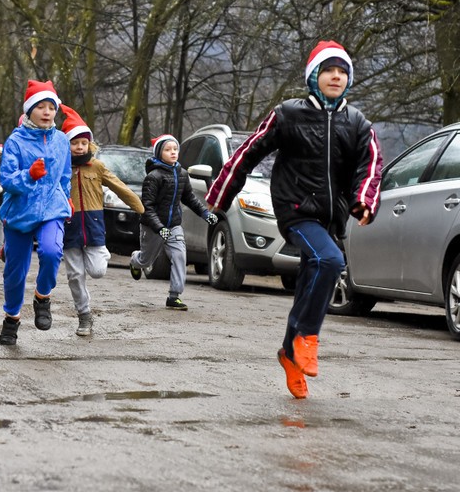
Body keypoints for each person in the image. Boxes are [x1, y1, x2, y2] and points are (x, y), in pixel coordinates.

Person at [205, 40, 383, 399]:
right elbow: (248, 152)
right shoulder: (288, 114)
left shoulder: (358, 122)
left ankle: (288, 353)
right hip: (296, 209)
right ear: (314, 77)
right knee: (330, 260)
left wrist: (364, 200)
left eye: (342, 71)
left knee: (308, 282)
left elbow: (372, 163)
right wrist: (220, 197)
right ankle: (307, 337)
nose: (336, 76)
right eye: (329, 70)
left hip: (332, 217)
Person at [0, 80, 72, 345]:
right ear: (29, 110)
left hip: (52, 206)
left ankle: (42, 297)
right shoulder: (15, 141)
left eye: (51, 107)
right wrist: (28, 175)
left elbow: (64, 177)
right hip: (20, 210)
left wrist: (67, 198)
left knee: (51, 252)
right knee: (15, 274)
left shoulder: (62, 141)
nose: (47, 111)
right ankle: (12, 318)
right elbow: (6, 180)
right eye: (40, 106)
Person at [60, 104, 145, 336]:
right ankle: (84, 315)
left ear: (89, 144)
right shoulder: (61, 166)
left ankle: (103, 253)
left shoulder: (96, 166)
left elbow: (118, 186)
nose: (79, 147)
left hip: (94, 226)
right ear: (66, 144)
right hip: (69, 227)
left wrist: (140, 208)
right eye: (74, 143)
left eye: (83, 143)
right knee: (75, 276)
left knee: (97, 271)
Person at [128, 134, 219, 310]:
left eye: (175, 149)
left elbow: (190, 198)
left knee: (179, 257)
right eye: (168, 150)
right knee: (147, 260)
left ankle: (174, 296)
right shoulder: (153, 177)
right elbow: (147, 206)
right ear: (159, 153)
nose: (173, 152)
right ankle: (135, 260)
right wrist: (159, 227)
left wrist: (205, 214)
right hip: (153, 226)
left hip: (174, 225)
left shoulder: (182, 174)